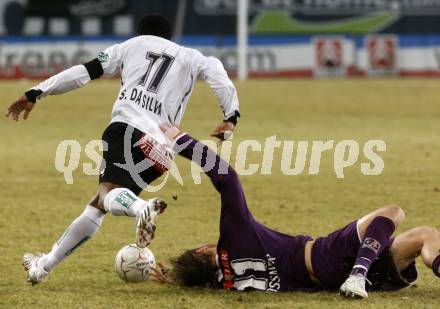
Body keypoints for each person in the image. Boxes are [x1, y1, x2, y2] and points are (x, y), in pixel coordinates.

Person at [7, 14, 240, 284]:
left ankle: (141, 208)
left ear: (142, 33)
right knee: (99, 204)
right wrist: (230, 115)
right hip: (162, 152)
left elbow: (84, 72)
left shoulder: (130, 46)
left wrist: (37, 91)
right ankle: (44, 265)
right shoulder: (191, 56)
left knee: (108, 195)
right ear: (168, 37)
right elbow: (218, 73)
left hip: (127, 130)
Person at [151, 129, 440, 299]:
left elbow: (199, 277)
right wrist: (181, 141)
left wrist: (175, 277)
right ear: (204, 248)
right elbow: (227, 179)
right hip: (323, 256)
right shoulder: (235, 238)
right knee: (393, 213)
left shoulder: (226, 282)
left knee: (422, 236)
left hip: (325, 281)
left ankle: (361, 275)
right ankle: (358, 273)